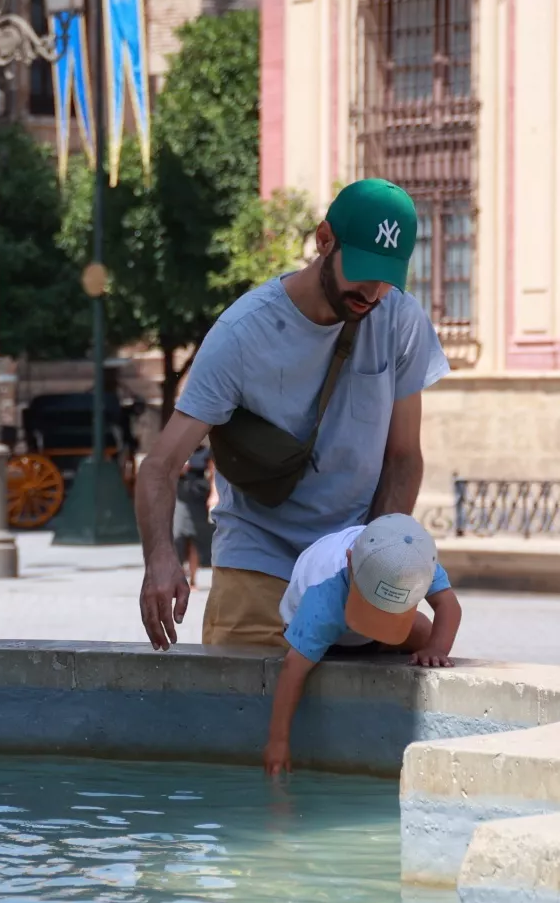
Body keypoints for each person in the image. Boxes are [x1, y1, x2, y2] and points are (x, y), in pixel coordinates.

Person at [136, 179, 450, 650]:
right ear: (324, 241)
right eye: (362, 270)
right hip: (259, 566)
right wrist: (161, 559)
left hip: (348, 570)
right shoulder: (242, 334)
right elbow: (159, 468)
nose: (372, 291)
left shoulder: (399, 319)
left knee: (371, 720)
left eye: (387, 276)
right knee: (243, 719)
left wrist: (373, 559)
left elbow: (404, 459)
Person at [263, 514, 461, 776]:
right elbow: (292, 670)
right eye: (373, 607)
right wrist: (278, 741)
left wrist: (437, 649)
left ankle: (384, 627)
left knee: (425, 632)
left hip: (367, 634)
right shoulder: (322, 599)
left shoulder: (415, 562)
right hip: (328, 635)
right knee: (307, 654)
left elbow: (449, 606)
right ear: (350, 562)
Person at [173, 444, 217, 590]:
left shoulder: (205, 452)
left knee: (194, 538)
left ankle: (192, 579)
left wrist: (213, 494)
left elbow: (213, 472)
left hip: (198, 497)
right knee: (178, 535)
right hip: (180, 496)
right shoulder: (178, 447)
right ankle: (178, 576)